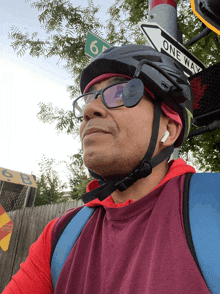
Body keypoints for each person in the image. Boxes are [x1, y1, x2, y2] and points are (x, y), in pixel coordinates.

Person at [3, 44, 210, 293]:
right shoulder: (60, 235)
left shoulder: (213, 206)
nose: (90, 110)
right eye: (90, 99)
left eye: (121, 92)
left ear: (169, 131)